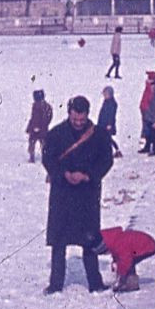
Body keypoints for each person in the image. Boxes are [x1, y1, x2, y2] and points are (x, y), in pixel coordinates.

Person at [42, 95, 112, 292]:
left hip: (87, 193)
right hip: (62, 192)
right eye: (75, 120)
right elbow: (48, 159)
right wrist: (64, 174)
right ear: (69, 114)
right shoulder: (56, 134)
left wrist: (88, 175)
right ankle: (56, 284)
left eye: (82, 120)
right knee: (58, 240)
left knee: (89, 239)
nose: (79, 123)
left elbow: (106, 160)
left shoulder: (98, 135)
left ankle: (95, 283)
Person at [94, 227, 155, 292]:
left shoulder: (120, 244)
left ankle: (132, 284)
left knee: (129, 263)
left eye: (105, 253)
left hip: (148, 246)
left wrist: (121, 273)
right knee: (125, 262)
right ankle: (125, 281)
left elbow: (125, 260)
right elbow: (116, 254)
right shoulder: (112, 239)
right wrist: (115, 262)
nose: (106, 254)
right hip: (140, 245)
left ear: (105, 248)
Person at [26, 89, 53, 163]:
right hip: (37, 129)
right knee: (33, 143)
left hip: (41, 129)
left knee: (42, 144)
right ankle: (33, 157)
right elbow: (33, 117)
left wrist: (40, 126)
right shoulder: (37, 106)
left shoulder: (45, 107)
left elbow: (47, 118)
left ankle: (40, 158)